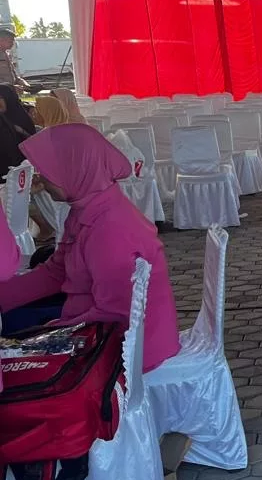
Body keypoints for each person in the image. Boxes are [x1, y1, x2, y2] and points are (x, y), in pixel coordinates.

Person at [0, 124, 180, 371]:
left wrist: (51, 332)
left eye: (48, 171)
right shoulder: (88, 208)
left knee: (12, 344)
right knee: (11, 322)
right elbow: (56, 272)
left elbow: (115, 315)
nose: (43, 179)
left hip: (127, 351)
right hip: (97, 325)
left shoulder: (110, 228)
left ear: (74, 168)